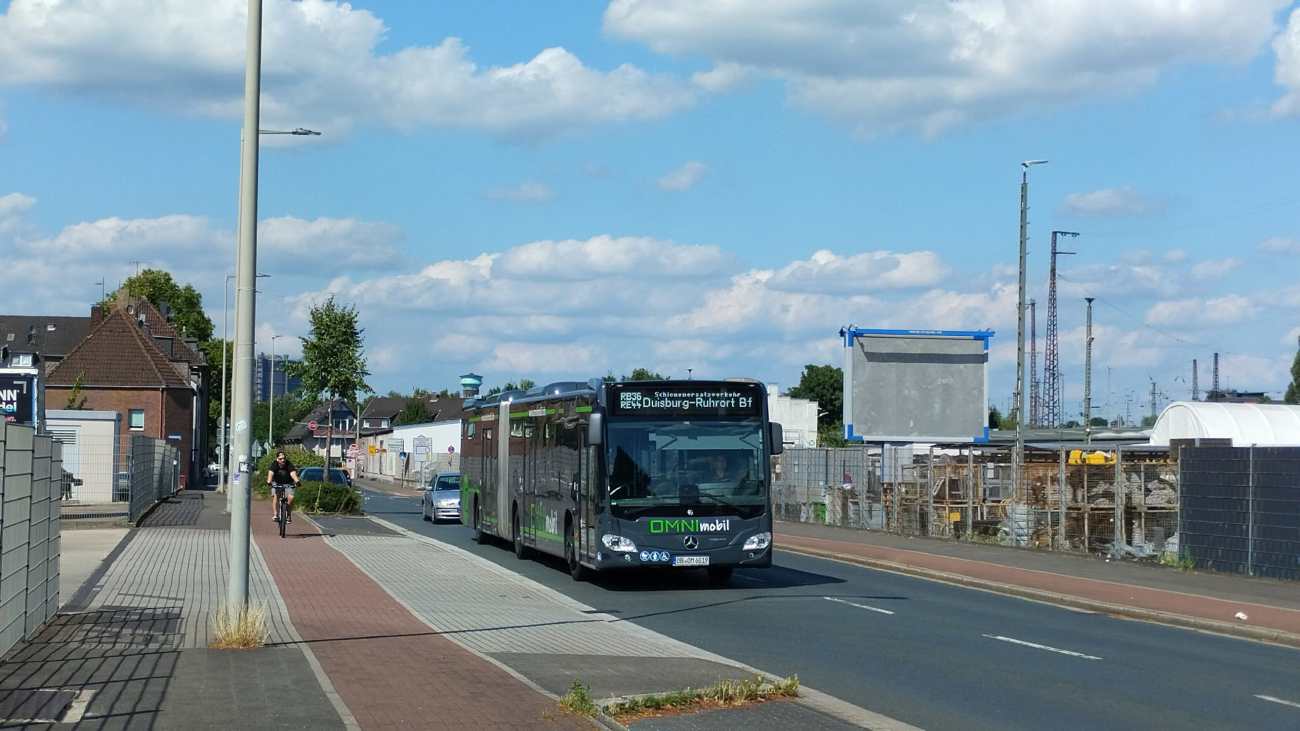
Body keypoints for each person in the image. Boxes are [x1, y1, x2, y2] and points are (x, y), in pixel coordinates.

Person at [267, 451, 299, 523]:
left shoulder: (288, 464)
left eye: (284, 458)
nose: (283, 460)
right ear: (277, 459)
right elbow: (271, 473)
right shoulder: (274, 464)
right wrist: (269, 482)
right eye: (281, 459)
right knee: (276, 496)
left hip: (288, 483)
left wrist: (297, 481)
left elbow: (293, 474)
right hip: (277, 482)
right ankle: (275, 514)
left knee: (291, 497)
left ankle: (288, 514)